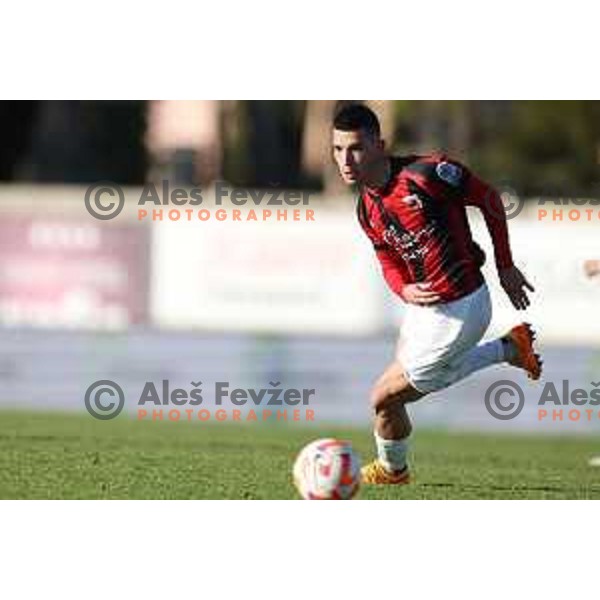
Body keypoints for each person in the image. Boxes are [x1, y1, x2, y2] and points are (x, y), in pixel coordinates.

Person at [331, 103, 542, 485]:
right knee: (389, 397)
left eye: (356, 148)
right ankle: (512, 347)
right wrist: (403, 288)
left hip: (462, 307)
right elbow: (386, 256)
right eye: (338, 149)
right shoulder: (366, 207)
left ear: (380, 145)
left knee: (383, 397)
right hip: (425, 310)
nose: (346, 159)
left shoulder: (426, 174)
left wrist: (505, 265)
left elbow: (490, 199)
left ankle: (393, 471)